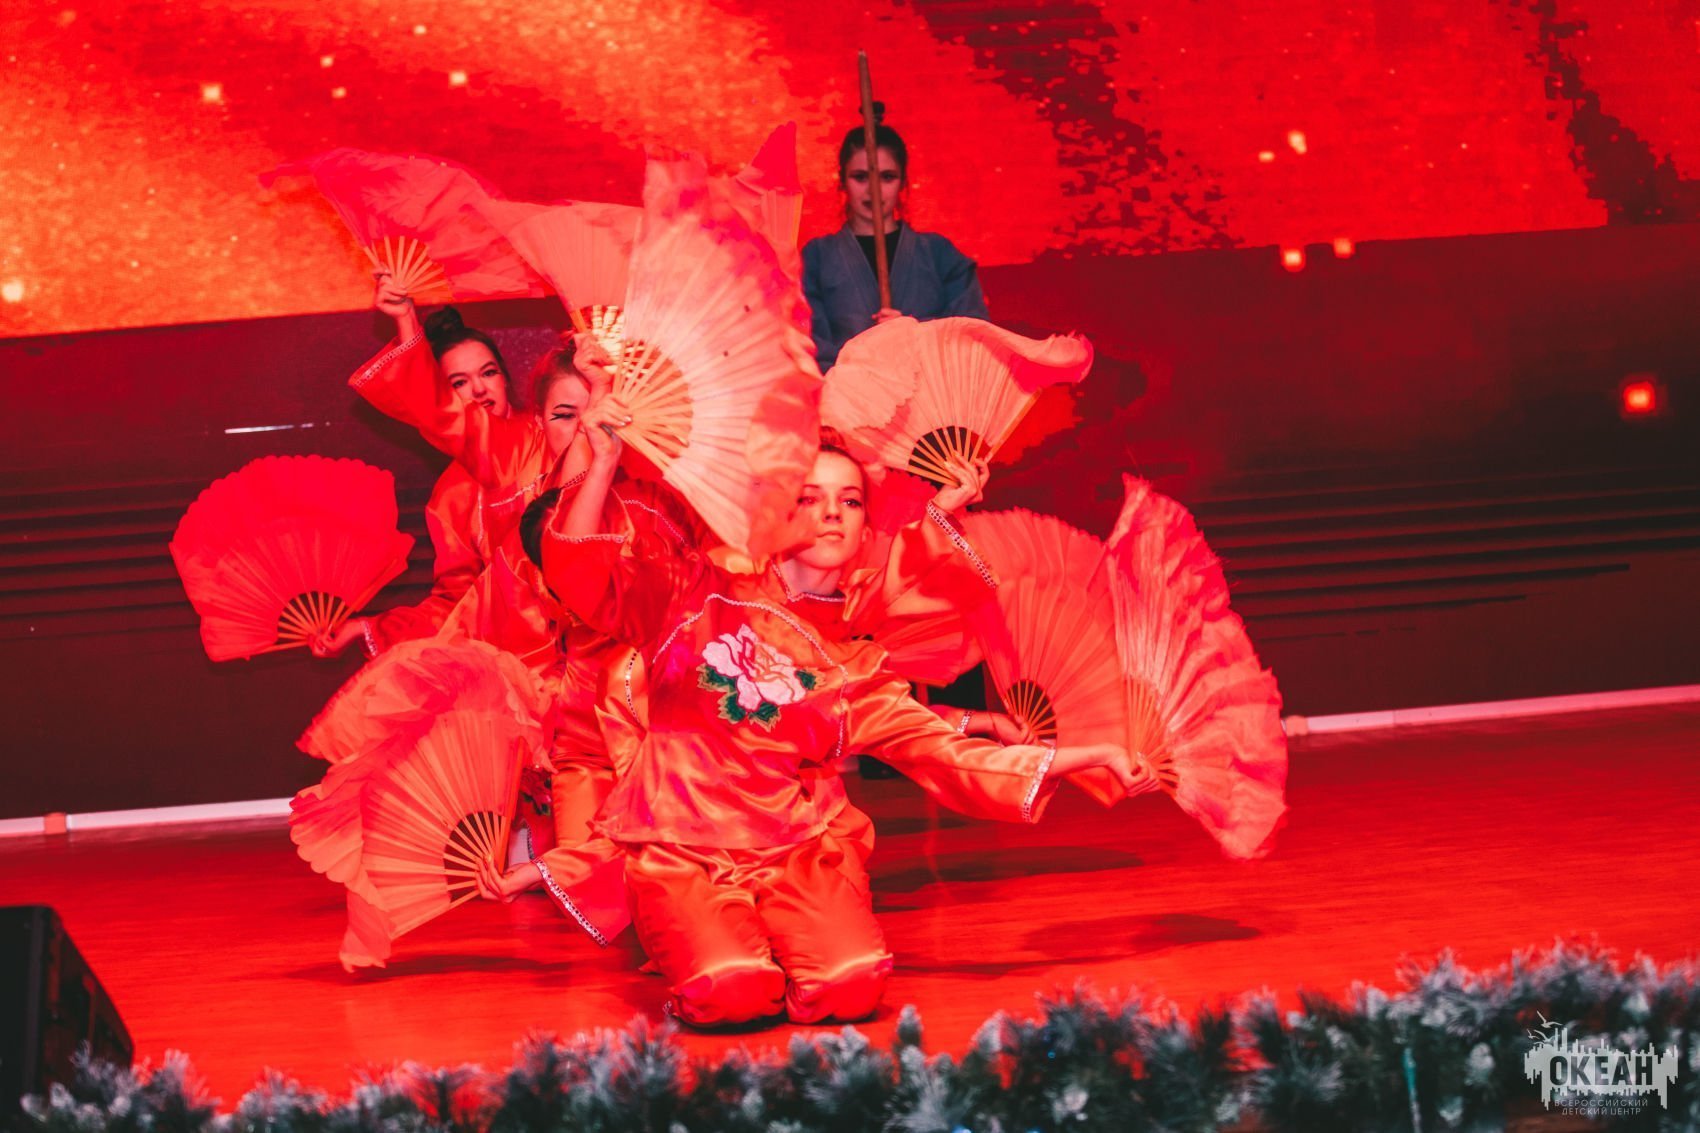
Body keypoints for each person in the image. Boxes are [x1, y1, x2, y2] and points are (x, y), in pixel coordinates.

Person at [527, 402, 1136, 1027]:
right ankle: (712, 949)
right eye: (809, 497)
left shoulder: (851, 666)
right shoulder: (695, 592)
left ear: (866, 528)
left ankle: (760, 942)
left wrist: (1092, 755)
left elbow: (945, 754)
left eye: (850, 501)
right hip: (680, 849)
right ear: (776, 509)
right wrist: (603, 462)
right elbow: (584, 576)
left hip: (791, 852)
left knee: (851, 988)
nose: (831, 514)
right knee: (731, 990)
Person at [310, 304, 515, 659]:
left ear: (506, 378)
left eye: (489, 372)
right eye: (459, 382)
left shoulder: (554, 436)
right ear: (442, 398)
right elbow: (455, 605)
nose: (480, 389)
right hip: (518, 654)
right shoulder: (453, 495)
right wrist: (368, 627)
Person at [801, 112, 989, 369]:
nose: (873, 190)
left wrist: (913, 332)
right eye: (860, 177)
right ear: (842, 181)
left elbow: (973, 332)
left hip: (928, 387)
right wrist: (860, 361)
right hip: (846, 389)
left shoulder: (939, 254)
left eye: (887, 177)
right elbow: (807, 343)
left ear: (903, 182)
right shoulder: (816, 258)